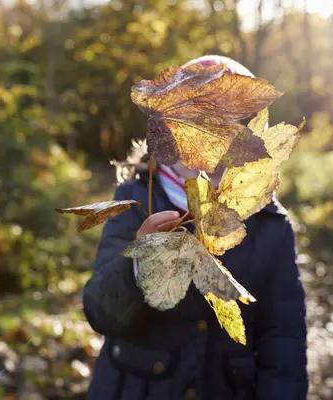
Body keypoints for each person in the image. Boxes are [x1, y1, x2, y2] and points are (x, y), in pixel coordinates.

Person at [83, 55, 308, 400]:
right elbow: (103, 313)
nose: (209, 146)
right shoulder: (134, 199)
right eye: (197, 124)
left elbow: (283, 334)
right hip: (139, 387)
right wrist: (139, 263)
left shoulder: (269, 224)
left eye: (227, 128)